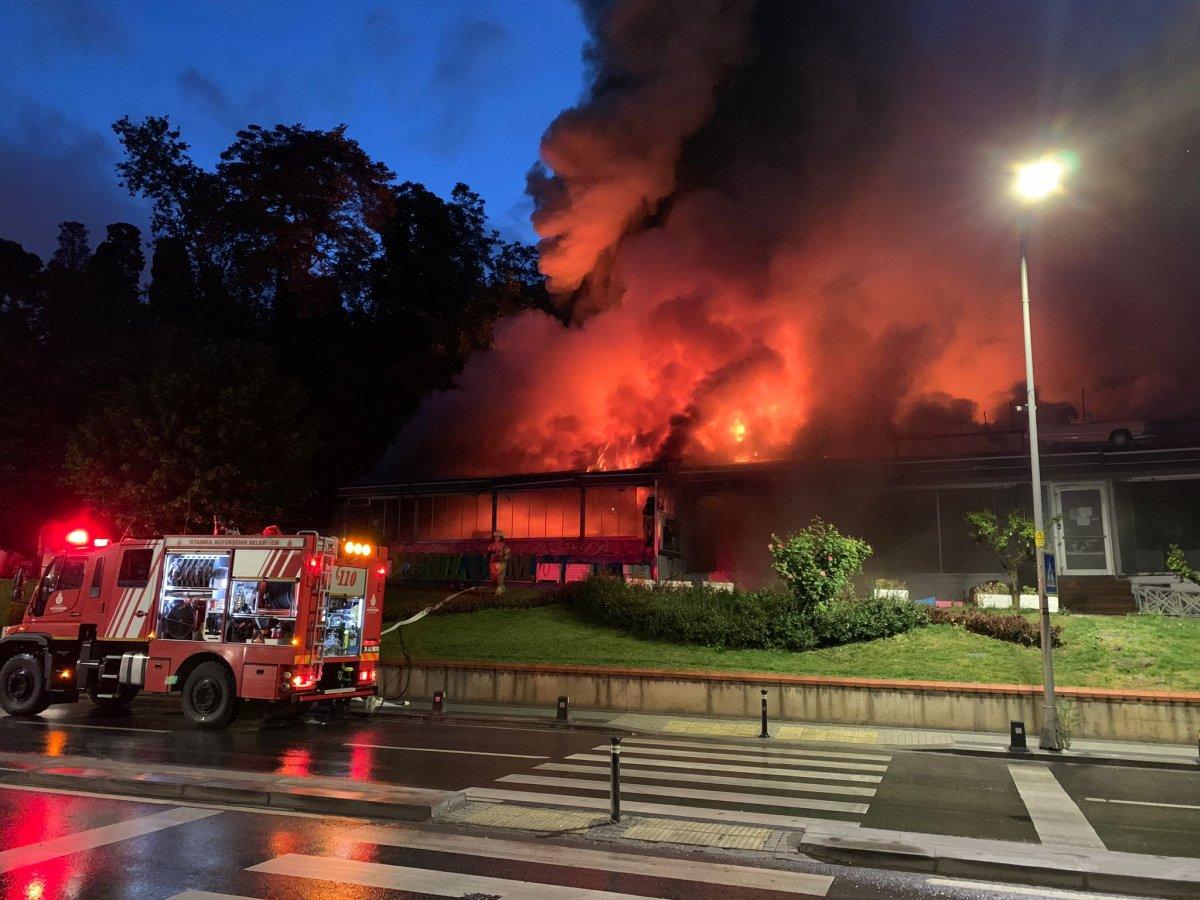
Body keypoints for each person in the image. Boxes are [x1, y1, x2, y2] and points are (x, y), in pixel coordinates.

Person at [487, 531, 510, 595]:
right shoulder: (492, 545)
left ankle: (499, 591)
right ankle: (502, 588)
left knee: (499, 578)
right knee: (493, 579)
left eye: (498, 537)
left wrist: (503, 558)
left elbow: (508, 554)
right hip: (493, 564)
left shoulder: (504, 545)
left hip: (501, 564)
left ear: (501, 537)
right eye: (495, 537)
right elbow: (488, 552)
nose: (496, 538)